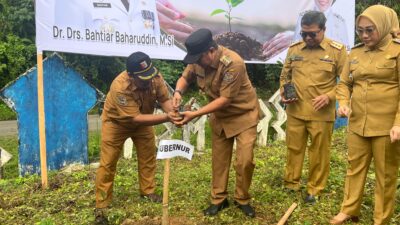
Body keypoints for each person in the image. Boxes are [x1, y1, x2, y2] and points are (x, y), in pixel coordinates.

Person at [172, 28, 260, 217]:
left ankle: (242, 198)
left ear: (210, 51)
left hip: (243, 115)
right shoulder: (198, 61)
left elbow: (225, 99)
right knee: (219, 161)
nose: (196, 63)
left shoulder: (232, 63)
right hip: (219, 116)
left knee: (244, 161)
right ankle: (219, 199)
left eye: (199, 59)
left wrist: (194, 114)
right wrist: (178, 92)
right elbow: (185, 77)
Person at [330, 5, 400, 225]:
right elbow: (344, 84)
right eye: (360, 31)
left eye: (371, 30)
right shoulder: (356, 53)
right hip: (358, 123)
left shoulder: (397, 52)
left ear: (385, 26)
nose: (365, 35)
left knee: (385, 175)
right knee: (354, 168)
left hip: (387, 127)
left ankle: (381, 218)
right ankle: (349, 209)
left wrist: (398, 123)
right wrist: (342, 102)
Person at [94, 51, 179, 224]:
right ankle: (101, 204)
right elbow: (134, 118)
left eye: (150, 75)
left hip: (143, 121)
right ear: (131, 76)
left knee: (148, 156)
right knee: (108, 162)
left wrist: (174, 112)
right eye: (143, 77)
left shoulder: (154, 77)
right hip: (116, 124)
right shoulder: (120, 86)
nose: (148, 80)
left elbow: (164, 99)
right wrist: (167, 117)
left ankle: (147, 191)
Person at [279, 11, 347, 204]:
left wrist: (330, 96)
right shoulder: (294, 49)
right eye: (304, 34)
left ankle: (314, 188)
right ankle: (291, 183)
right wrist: (285, 91)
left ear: (323, 30)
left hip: (321, 113)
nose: (308, 38)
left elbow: (346, 81)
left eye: (313, 34)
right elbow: (285, 76)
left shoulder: (337, 50)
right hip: (296, 110)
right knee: (294, 148)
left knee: (319, 152)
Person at [263, 0, 349, 60]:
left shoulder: (340, 22)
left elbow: (345, 55)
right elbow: (295, 53)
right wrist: (296, 37)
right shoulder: (302, 17)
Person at [55, 0, 161, 35]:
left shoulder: (149, 1)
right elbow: (68, 44)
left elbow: (156, 39)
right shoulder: (74, 2)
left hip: (144, 74)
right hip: (101, 76)